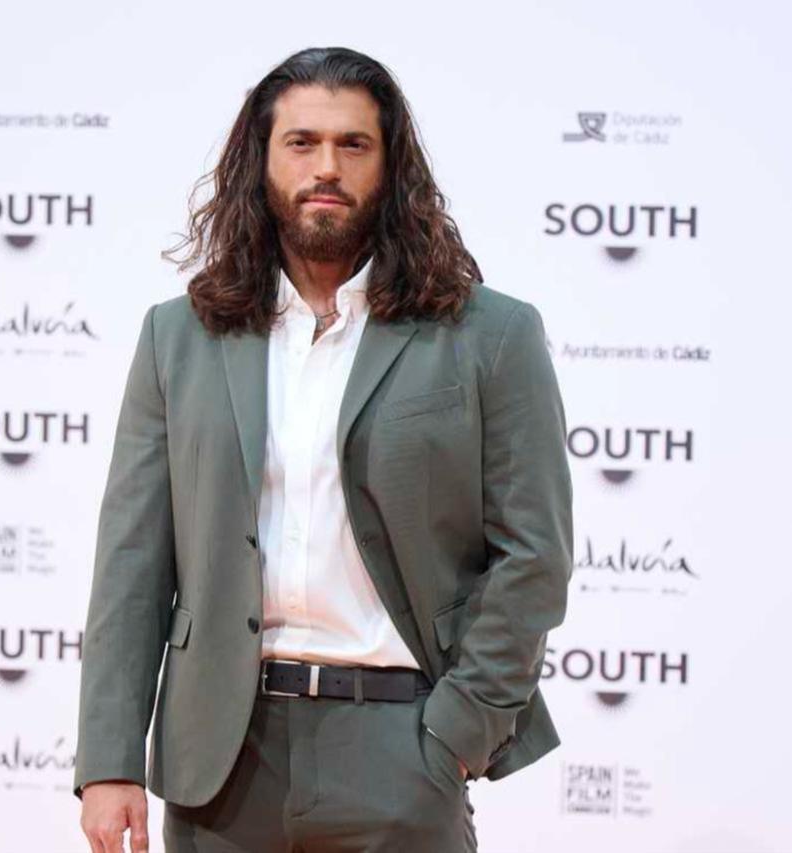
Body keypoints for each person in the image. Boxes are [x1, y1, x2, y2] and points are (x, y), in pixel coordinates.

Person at [75, 46, 573, 853]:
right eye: (301, 142)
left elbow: (534, 554)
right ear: (261, 160)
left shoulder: (490, 334)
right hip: (221, 760)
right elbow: (132, 559)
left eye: (353, 144)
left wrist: (458, 732)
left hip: (402, 747)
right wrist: (108, 760)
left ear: (392, 165)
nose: (327, 167)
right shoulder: (179, 337)